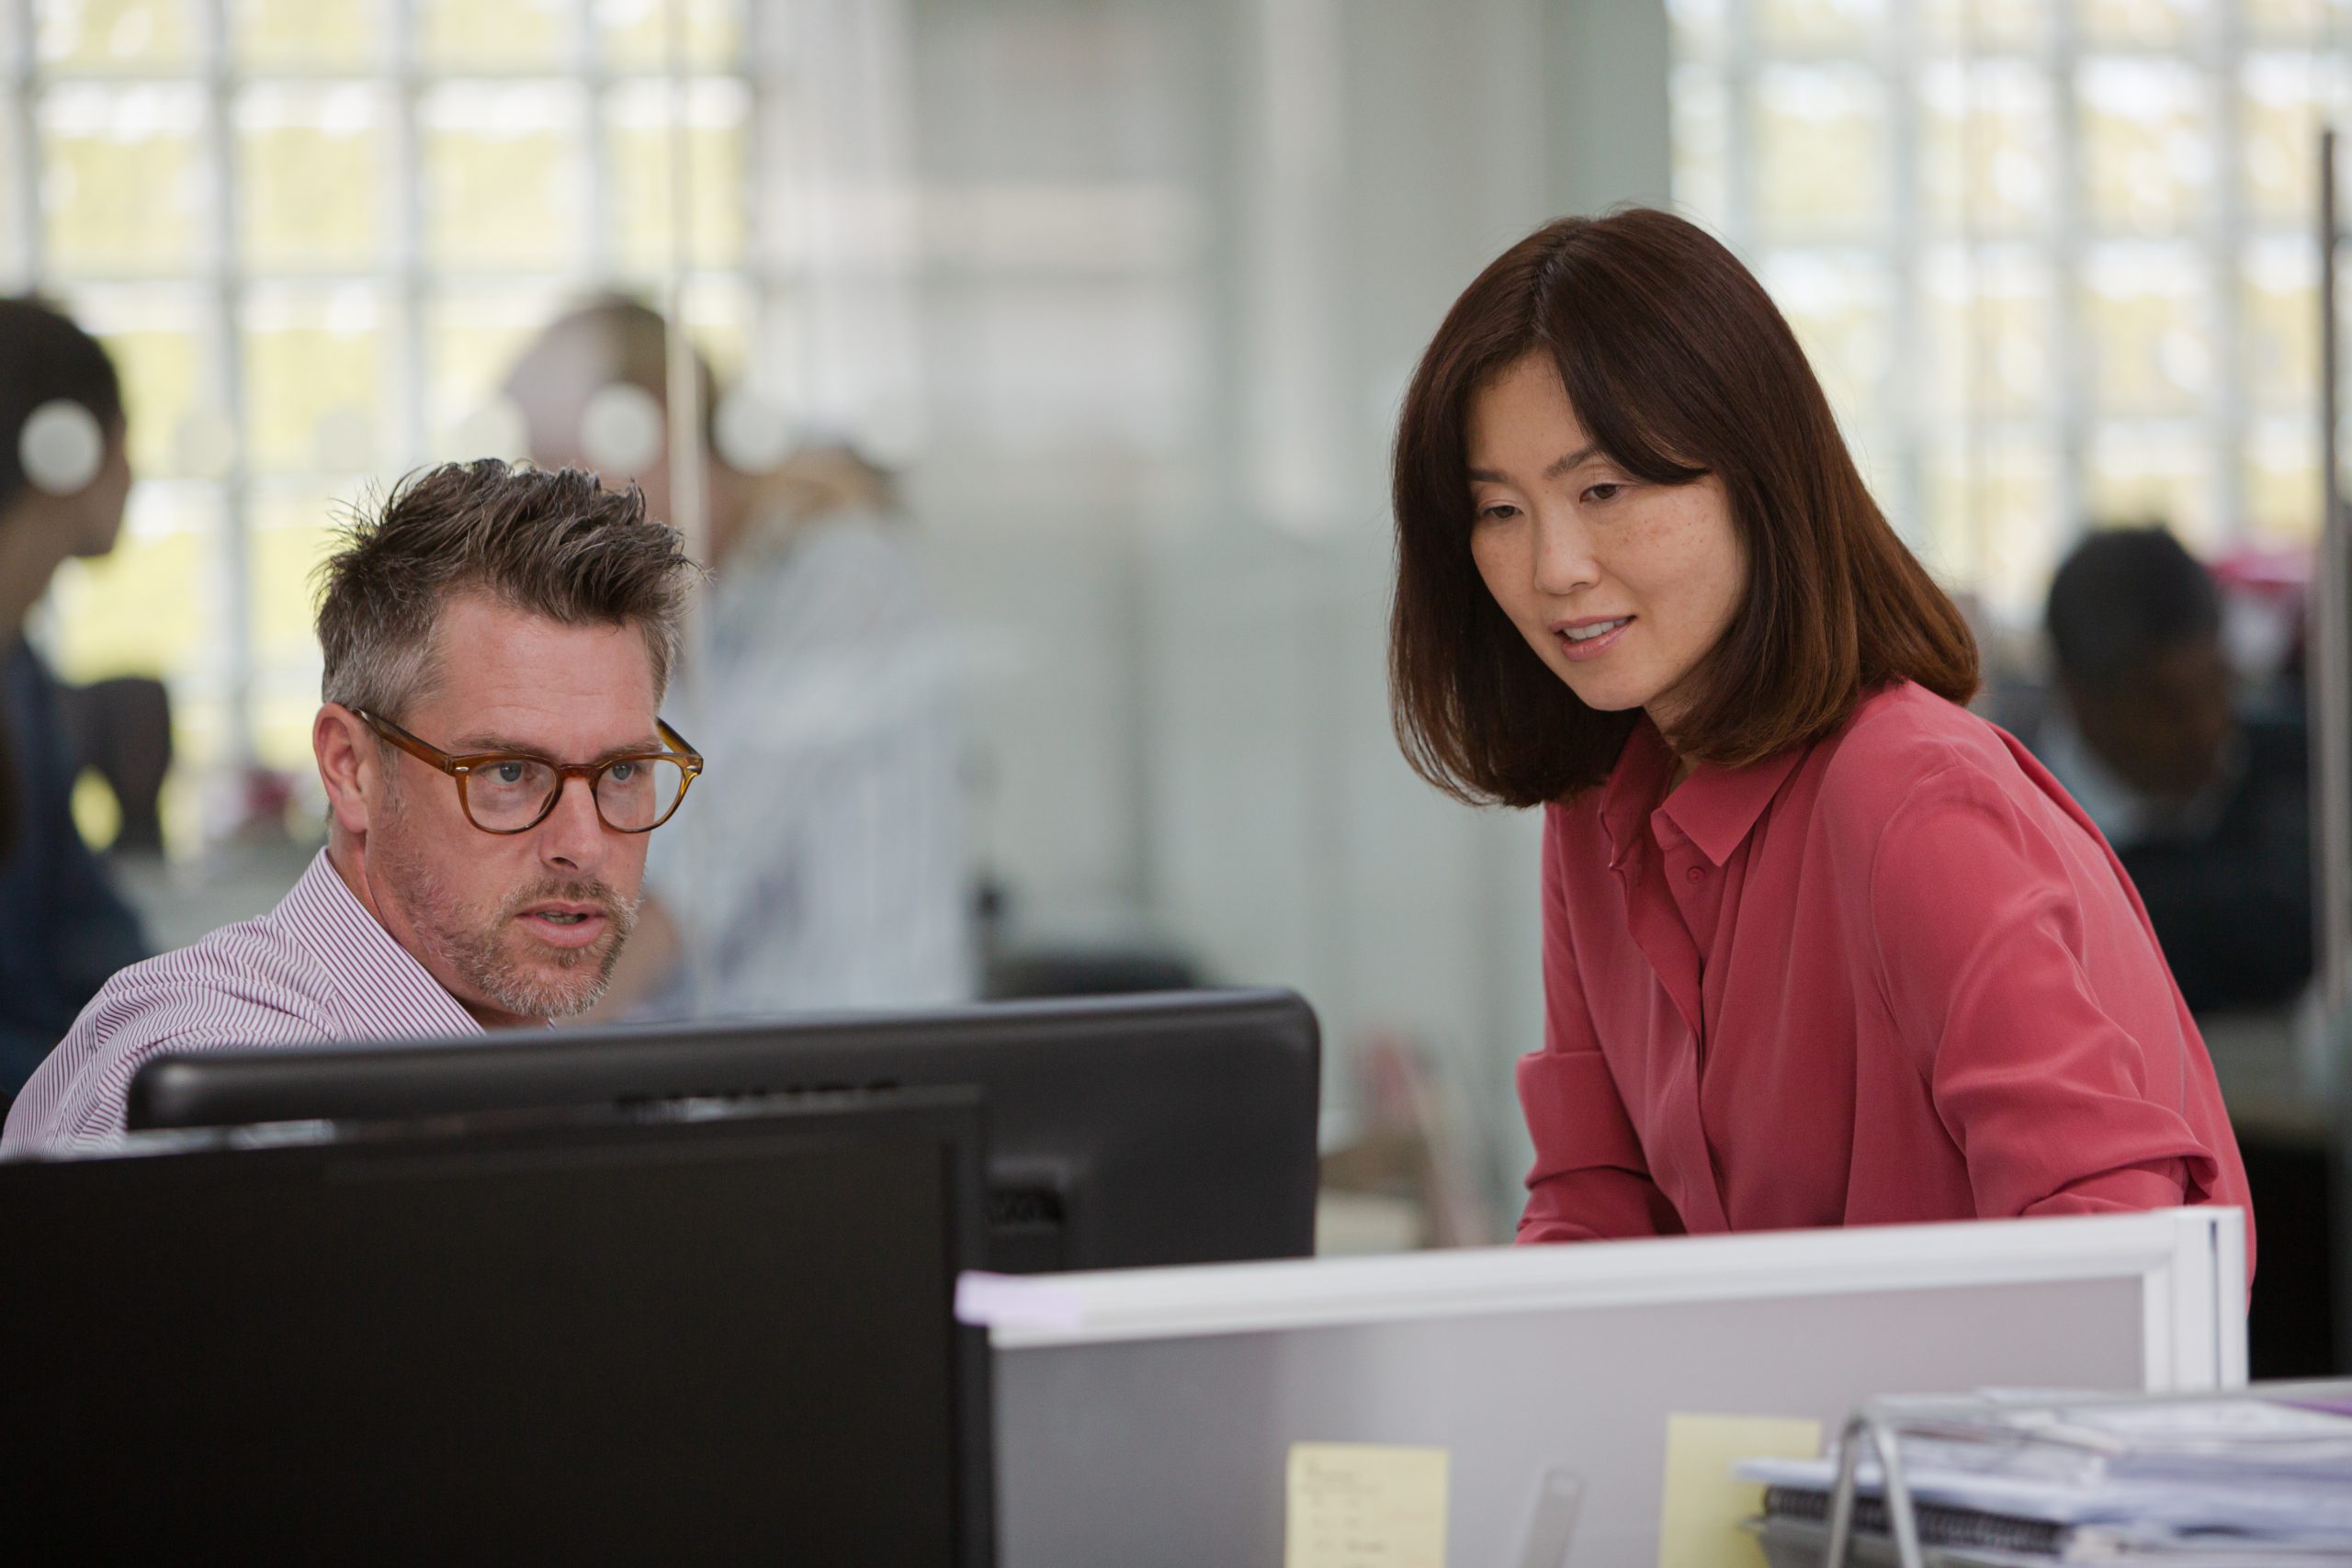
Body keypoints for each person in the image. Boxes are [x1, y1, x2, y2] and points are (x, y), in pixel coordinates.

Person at [1387, 209, 2253, 1258]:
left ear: (1753, 475)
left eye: (1602, 490)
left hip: (1972, 1422)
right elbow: (1594, 1209)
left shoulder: (1909, 798)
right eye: (1499, 511)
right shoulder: (1595, 810)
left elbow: (2115, 1251)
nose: (1553, 567)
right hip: (1745, 1424)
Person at [1, 460, 701, 1155]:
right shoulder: (223, 1094)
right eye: (509, 772)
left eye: (622, 771)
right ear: (350, 769)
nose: (582, 843)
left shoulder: (551, 1082)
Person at [503, 299, 969, 1017]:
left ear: (650, 429)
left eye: (562, 465)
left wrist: (491, 1052)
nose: (555, 520)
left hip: (855, 1084)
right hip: (735, 1074)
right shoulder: (690, 613)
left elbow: (682, 883)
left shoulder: (842, 583)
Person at [2036, 526, 2312, 1014]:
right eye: (2163, 707)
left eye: (2218, 687)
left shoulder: (2300, 767)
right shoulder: (2017, 825)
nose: (2206, 728)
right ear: (2076, 696)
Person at [0, 298, 148, 1102]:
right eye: (125, 435)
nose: (136, 469)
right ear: (67, 447)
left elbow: (87, 930)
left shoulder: (20, 674)